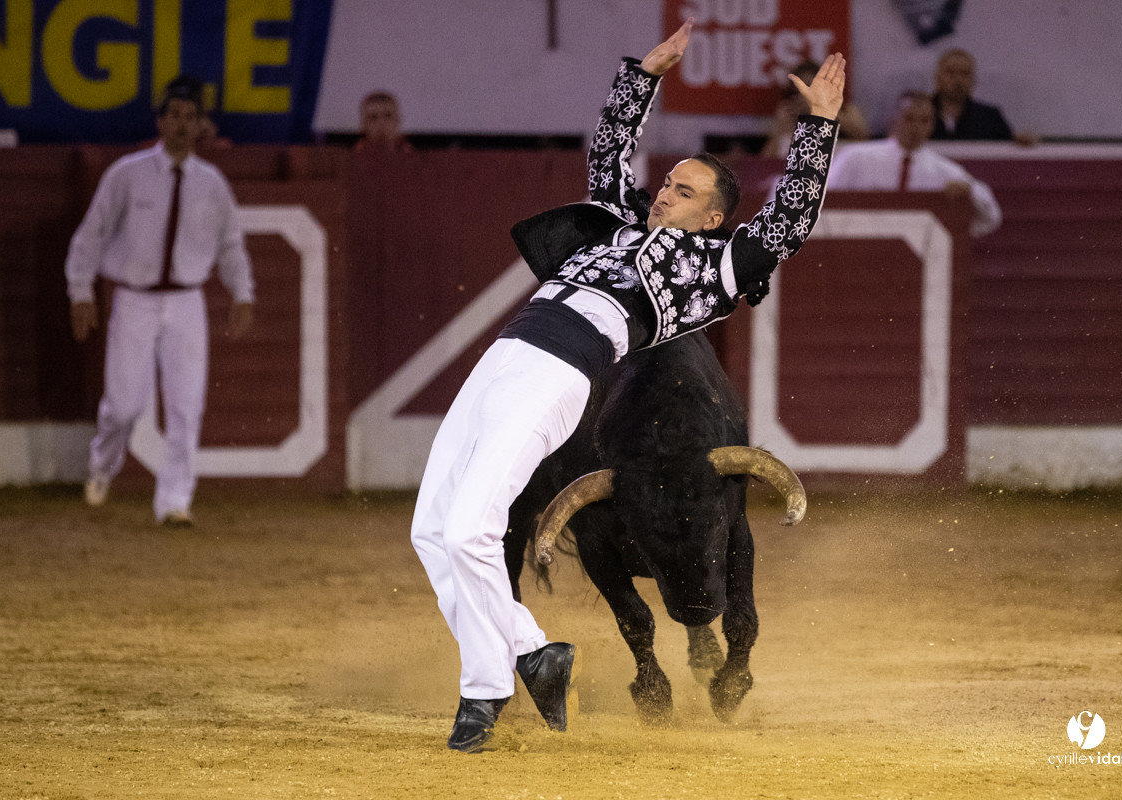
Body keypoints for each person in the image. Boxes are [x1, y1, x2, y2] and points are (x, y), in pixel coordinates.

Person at [409, 20, 844, 753]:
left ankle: (498, 678)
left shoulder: (714, 268)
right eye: (667, 181)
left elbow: (788, 222)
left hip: (559, 369)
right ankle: (517, 665)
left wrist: (817, 130)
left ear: (713, 217)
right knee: (432, 530)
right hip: (509, 352)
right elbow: (609, 153)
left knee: (471, 530)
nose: (664, 191)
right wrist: (643, 77)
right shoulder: (617, 224)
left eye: (684, 189)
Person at [65, 76, 255, 527]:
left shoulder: (211, 183)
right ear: (161, 121)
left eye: (191, 118)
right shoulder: (127, 174)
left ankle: (173, 500)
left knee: (188, 405)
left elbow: (230, 245)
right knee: (124, 404)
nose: (182, 126)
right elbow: (90, 235)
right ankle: (103, 464)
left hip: (186, 301)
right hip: (134, 299)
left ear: (202, 126)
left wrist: (243, 292)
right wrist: (80, 290)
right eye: (175, 116)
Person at [825, 90, 1001, 238]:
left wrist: (968, 190)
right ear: (894, 120)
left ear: (932, 126)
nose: (916, 127)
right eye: (909, 118)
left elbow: (991, 217)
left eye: (924, 120)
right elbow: (824, 203)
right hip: (860, 244)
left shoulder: (944, 171)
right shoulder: (856, 158)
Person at [761, 58, 868, 157]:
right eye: (798, 91)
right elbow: (766, 162)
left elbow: (864, 140)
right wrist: (780, 132)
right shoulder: (788, 115)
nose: (804, 96)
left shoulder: (845, 111)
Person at [930, 48, 1027, 143]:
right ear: (938, 77)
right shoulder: (919, 113)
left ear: (973, 80)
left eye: (965, 73)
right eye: (951, 73)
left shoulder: (990, 117)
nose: (958, 79)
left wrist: (1021, 142)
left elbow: (1009, 148)